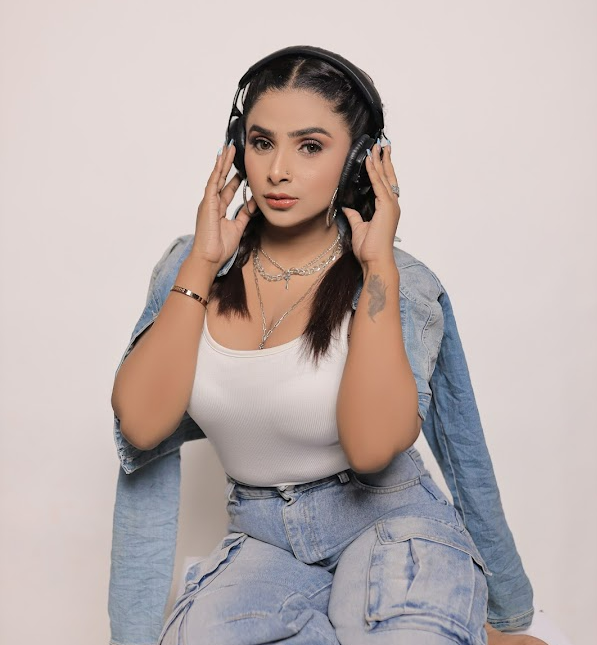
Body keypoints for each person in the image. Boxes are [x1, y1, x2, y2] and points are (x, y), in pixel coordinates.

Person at [109, 46, 544, 645]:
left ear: (360, 160)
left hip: (391, 523)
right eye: (262, 143)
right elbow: (140, 429)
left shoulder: (402, 283)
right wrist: (203, 263)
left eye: (310, 147)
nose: (277, 170)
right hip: (262, 538)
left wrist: (378, 268)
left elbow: (389, 448)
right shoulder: (191, 266)